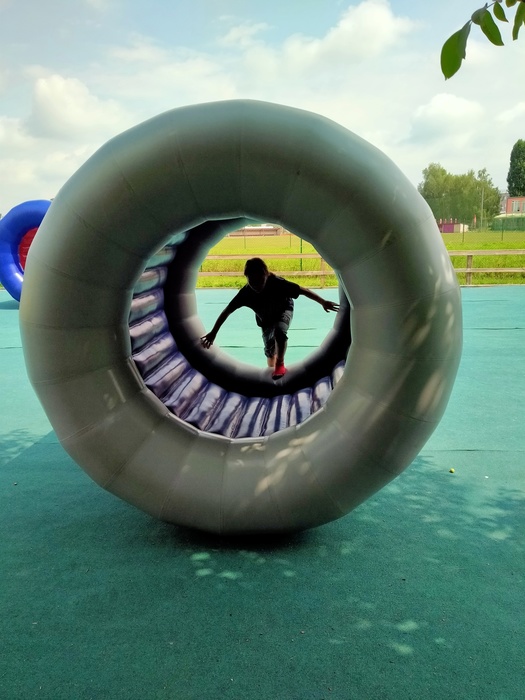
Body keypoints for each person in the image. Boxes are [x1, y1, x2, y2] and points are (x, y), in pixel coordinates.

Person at [200, 257, 340, 380]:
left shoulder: (278, 283)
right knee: (269, 350)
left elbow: (303, 290)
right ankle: (271, 367)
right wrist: (213, 332)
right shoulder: (245, 293)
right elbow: (227, 311)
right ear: (247, 278)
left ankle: (280, 363)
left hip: (284, 310)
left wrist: (323, 302)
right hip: (265, 319)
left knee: (280, 332)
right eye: (252, 282)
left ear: (266, 274)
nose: (257, 285)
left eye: (260, 281)